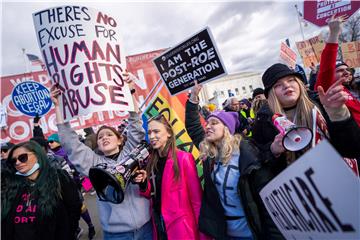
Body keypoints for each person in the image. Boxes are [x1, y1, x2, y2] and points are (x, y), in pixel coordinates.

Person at [240, 57, 360, 238]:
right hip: (305, 205)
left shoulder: (321, 104)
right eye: (279, 85)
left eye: (291, 80)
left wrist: (338, 114)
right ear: (271, 92)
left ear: (299, 83)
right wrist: (272, 152)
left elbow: (351, 149)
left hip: (340, 188)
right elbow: (260, 171)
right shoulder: (263, 122)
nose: (287, 86)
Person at [51, 71, 153, 240]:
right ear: (97, 144)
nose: (104, 137)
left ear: (120, 140)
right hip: (117, 235)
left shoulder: (131, 154)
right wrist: (58, 106)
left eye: (109, 134)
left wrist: (130, 92)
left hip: (146, 228)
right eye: (100, 137)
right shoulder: (93, 164)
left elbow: (136, 123)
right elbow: (70, 142)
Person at [185, 82, 254, 240]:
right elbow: (193, 126)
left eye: (214, 123)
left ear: (227, 129)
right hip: (224, 234)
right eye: (207, 123)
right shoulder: (210, 154)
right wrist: (194, 96)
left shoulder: (246, 152)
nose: (208, 126)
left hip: (251, 233)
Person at [134, 114, 207, 240]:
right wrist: (143, 183)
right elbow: (151, 194)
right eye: (149, 132)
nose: (151, 136)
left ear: (168, 133)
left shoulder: (183, 158)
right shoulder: (150, 161)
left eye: (156, 131)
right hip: (158, 223)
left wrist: (203, 235)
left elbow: (197, 201)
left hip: (181, 227)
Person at [1, 141, 81, 240]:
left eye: (22, 158)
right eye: (13, 161)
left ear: (37, 155)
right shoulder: (12, 184)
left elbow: (74, 209)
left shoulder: (59, 177)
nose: (17, 163)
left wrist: (67, 234)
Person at [315, 14, 360, 126]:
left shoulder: (351, 88)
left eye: (347, 69)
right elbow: (327, 65)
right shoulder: (328, 90)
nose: (346, 72)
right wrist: (334, 33)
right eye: (339, 70)